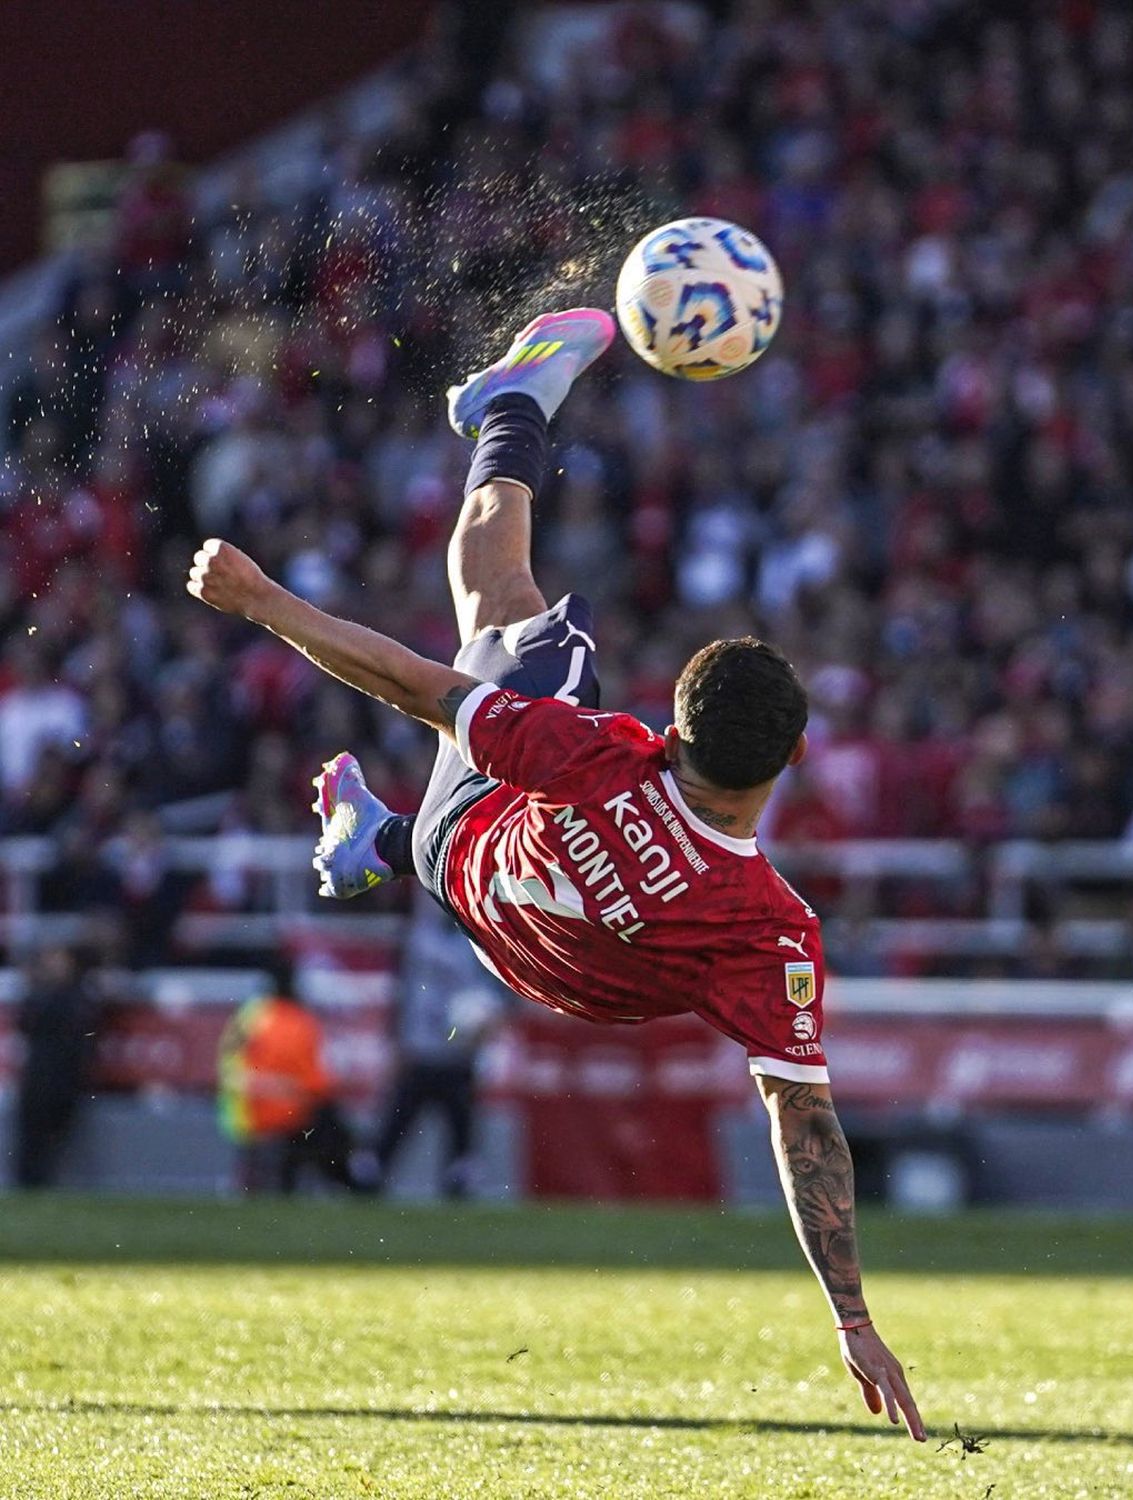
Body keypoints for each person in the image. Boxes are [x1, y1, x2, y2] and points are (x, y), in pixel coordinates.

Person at [187, 307, 926, 1441]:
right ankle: (369, 841)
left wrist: (262, 603)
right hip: (516, 948)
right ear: (793, 758)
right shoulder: (771, 934)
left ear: (671, 734)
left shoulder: (604, 759)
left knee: (506, 617)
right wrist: (851, 1317)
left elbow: (411, 682)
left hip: (468, 853)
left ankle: (510, 412)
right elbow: (805, 1127)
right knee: (501, 629)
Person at [370, 893, 504, 1198]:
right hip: (420, 1052)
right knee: (397, 1124)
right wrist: (396, 1039)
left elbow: (493, 996)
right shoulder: (416, 937)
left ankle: (459, 1179)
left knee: (460, 1131)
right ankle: (371, 1174)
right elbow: (402, 994)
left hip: (458, 1054)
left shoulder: (477, 942)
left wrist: (487, 1020)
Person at [217, 958, 363, 1195]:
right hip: (289, 1118)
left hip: (243, 1117)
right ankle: (350, 1182)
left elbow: (226, 1066)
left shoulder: (246, 1017)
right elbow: (319, 1084)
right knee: (329, 1127)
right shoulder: (301, 1023)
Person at [14, 946, 97, 1188]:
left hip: (65, 1074)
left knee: (56, 1132)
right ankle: (29, 1181)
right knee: (33, 1134)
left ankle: (43, 1180)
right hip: (40, 1073)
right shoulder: (41, 994)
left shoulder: (77, 995)